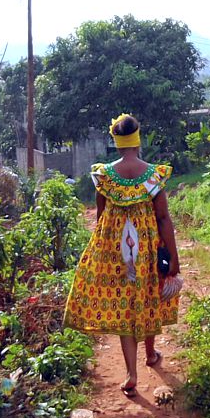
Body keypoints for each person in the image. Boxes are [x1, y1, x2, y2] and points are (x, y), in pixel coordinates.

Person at [63, 113, 180, 397]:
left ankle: (131, 373)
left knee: (124, 303)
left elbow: (101, 217)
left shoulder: (103, 176)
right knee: (149, 294)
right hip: (148, 248)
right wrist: (173, 257)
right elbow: (163, 218)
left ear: (116, 142)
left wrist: (99, 252)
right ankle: (151, 354)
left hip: (118, 250)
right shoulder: (153, 176)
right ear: (138, 140)